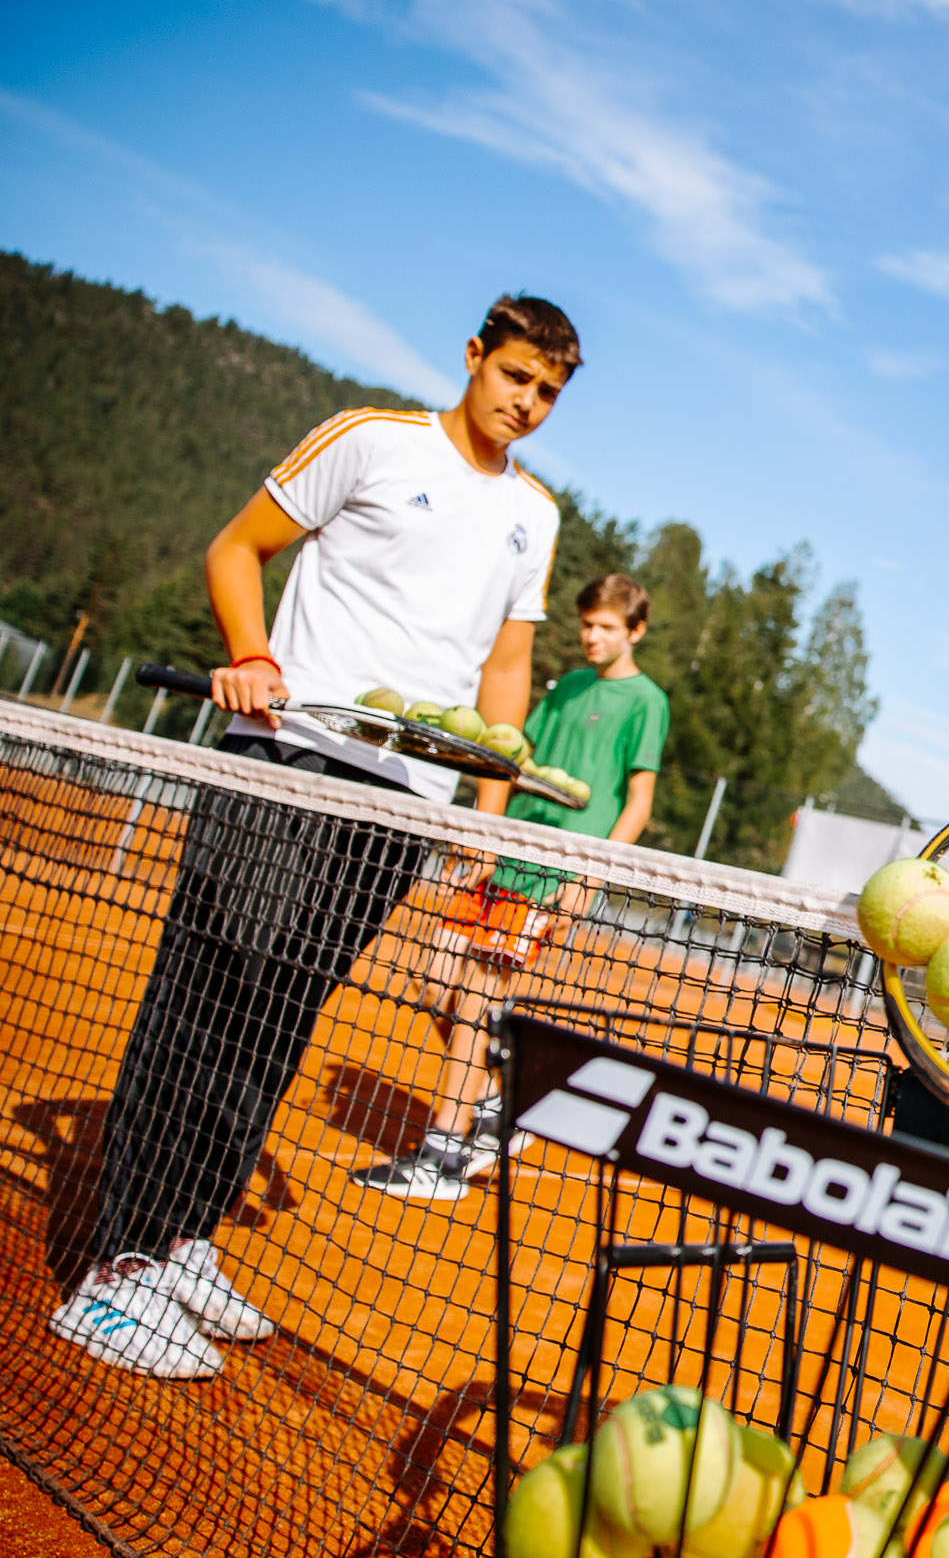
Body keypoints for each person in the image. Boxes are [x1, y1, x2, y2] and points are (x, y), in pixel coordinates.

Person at [50, 295, 578, 1379]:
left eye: (550, 392)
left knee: (282, 1013)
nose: (527, 403)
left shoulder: (538, 515)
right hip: (286, 760)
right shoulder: (369, 441)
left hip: (400, 805)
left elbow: (503, 668)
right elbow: (236, 548)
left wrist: (483, 815)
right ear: (474, 356)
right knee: (210, 997)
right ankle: (115, 1267)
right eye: (517, 375)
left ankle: (186, 1233)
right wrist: (252, 653)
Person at [351, 571, 669, 1201]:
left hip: (555, 872)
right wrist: (486, 839)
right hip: (507, 857)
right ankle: (508, 1086)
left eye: (606, 627)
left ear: (635, 631)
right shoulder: (569, 687)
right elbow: (517, 758)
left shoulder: (647, 701)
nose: (591, 637)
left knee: (476, 994)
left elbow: (637, 802)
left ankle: (442, 1155)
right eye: (585, 624)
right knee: (435, 975)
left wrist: (588, 878)